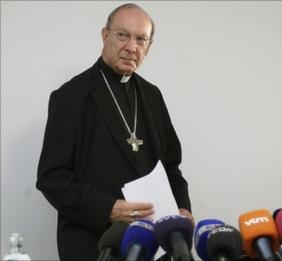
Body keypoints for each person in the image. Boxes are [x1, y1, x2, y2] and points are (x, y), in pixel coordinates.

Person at [36, 3, 193, 260]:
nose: (131, 47)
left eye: (141, 39)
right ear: (105, 35)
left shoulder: (152, 96)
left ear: (149, 46)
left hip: (154, 245)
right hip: (94, 244)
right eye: (123, 35)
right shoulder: (70, 97)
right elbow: (52, 179)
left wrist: (183, 208)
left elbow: (172, 166)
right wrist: (109, 209)